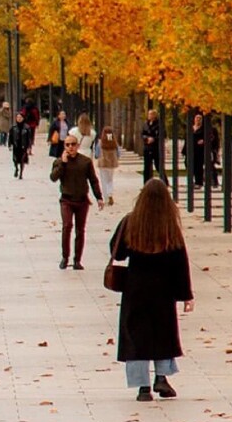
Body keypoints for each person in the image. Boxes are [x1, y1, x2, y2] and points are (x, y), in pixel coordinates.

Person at [110, 177, 194, 401]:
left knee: (136, 335)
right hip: (163, 289)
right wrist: (186, 295)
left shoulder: (131, 222)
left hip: (136, 287)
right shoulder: (169, 226)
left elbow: (117, 253)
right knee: (163, 333)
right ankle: (162, 377)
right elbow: (180, 261)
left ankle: (142, 387)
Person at [50, 131, 103, 270]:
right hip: (66, 200)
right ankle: (65, 257)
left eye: (73, 144)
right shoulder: (59, 161)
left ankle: (77, 260)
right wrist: (63, 163)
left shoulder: (85, 162)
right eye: (67, 145)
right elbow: (53, 177)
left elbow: (93, 180)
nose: (71, 147)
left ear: (78, 145)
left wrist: (99, 197)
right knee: (67, 226)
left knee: (80, 230)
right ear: (64, 146)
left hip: (81, 201)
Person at [95, 125, 120, 207]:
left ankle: (106, 198)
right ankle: (110, 194)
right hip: (111, 164)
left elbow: (97, 154)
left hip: (103, 163)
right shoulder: (114, 142)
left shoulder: (100, 142)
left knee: (103, 181)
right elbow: (118, 153)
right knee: (110, 180)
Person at [141, 108, 163, 182]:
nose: (150, 116)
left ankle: (164, 181)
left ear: (155, 115)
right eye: (149, 114)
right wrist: (146, 138)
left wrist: (154, 139)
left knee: (158, 166)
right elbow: (142, 134)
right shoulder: (145, 124)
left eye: (151, 114)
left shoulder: (159, 124)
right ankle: (146, 183)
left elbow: (162, 135)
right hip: (147, 147)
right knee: (147, 166)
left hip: (155, 148)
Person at [9, 110, 32, 179]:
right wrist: (10, 145)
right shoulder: (13, 128)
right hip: (16, 146)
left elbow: (29, 138)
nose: (19, 119)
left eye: (20, 117)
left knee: (22, 160)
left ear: (23, 118)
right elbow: (10, 137)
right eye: (17, 117)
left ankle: (21, 173)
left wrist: (29, 147)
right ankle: (16, 168)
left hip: (23, 146)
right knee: (15, 159)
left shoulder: (27, 128)